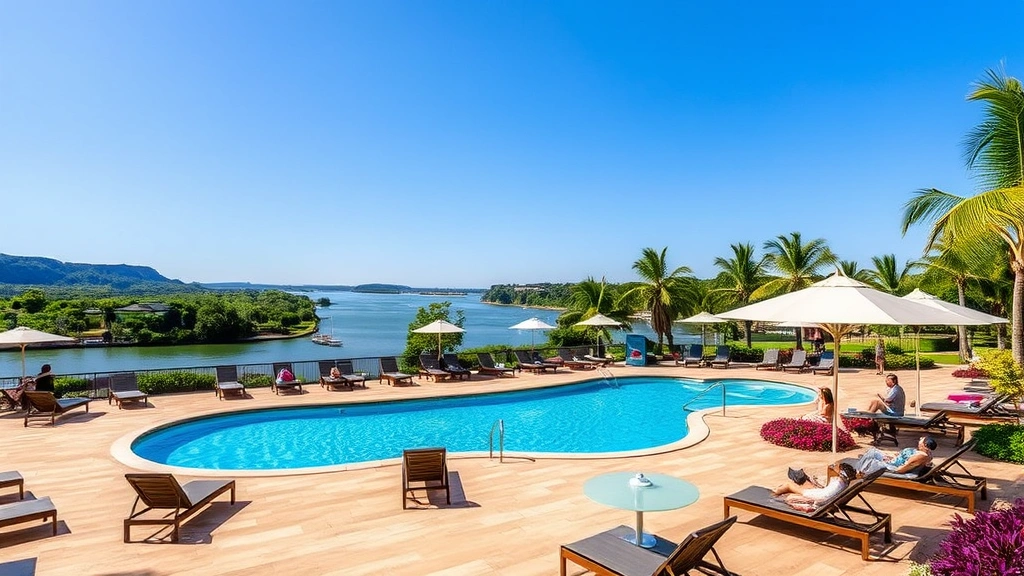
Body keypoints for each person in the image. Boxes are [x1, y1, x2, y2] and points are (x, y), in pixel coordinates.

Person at [772, 462, 857, 509]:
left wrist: (832, 468)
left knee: (788, 485)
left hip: (819, 497)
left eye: (836, 467)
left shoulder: (837, 480)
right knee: (804, 484)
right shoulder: (843, 483)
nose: (834, 467)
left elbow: (830, 470)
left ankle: (774, 493)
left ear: (840, 473)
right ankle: (780, 489)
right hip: (824, 496)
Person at [855, 436, 936, 476]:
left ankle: (857, 470)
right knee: (872, 451)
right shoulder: (924, 453)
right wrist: (891, 457)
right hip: (892, 460)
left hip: (892, 466)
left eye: (921, 439)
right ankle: (861, 463)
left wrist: (888, 467)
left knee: (871, 457)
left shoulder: (921, 456)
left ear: (925, 444)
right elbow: (903, 457)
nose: (920, 439)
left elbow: (902, 468)